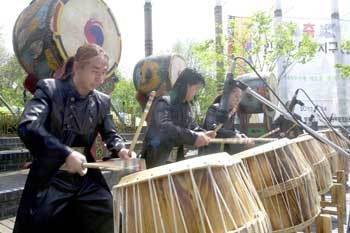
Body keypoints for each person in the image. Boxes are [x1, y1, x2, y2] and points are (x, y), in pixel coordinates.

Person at [13, 43, 135, 233]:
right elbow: (28, 126)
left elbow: (111, 134)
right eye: (95, 71)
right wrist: (64, 153)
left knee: (109, 213)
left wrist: (121, 149)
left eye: (104, 72)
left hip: (85, 177)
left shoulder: (102, 101)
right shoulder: (50, 89)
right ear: (77, 67)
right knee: (38, 222)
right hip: (52, 176)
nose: (101, 78)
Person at [141, 68, 216, 168]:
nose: (196, 93)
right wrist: (194, 137)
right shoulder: (164, 101)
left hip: (175, 160)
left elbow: (192, 127)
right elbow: (165, 127)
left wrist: (204, 133)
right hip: (156, 158)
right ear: (187, 85)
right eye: (196, 88)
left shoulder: (186, 106)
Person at [200, 87, 249, 155]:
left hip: (223, 151)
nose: (238, 100)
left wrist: (241, 135)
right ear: (227, 96)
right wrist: (233, 134)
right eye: (236, 96)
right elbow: (212, 128)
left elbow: (231, 128)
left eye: (240, 97)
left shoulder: (232, 111)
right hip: (209, 150)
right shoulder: (214, 108)